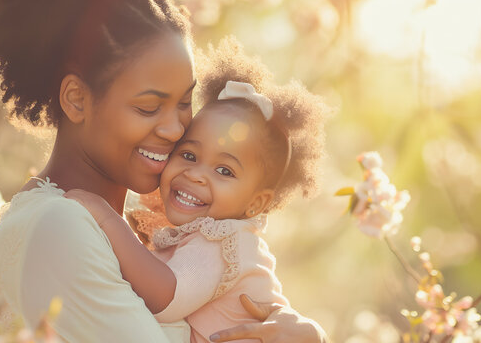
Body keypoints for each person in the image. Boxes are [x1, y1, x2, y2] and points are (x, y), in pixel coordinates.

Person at [0, 0, 327, 341]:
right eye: (148, 107)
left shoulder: (148, 231)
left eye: (185, 102)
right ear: (77, 99)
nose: (176, 129)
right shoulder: (64, 222)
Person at [65, 37, 329, 343]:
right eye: (189, 155)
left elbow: (165, 298)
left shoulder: (225, 241)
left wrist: (107, 218)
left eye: (224, 171)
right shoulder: (197, 233)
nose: (196, 175)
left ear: (257, 202)